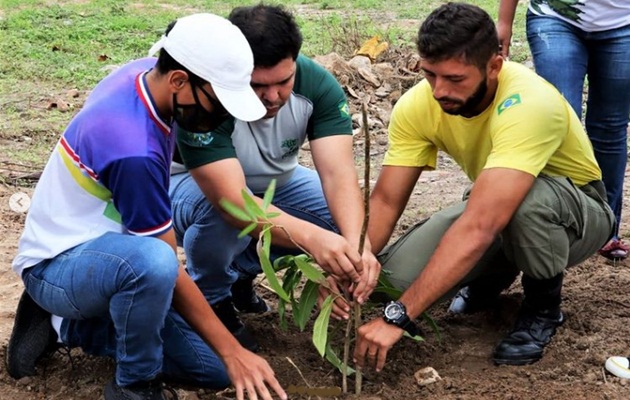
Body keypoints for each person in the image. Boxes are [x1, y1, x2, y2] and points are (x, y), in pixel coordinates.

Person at [6, 13, 287, 400]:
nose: (222, 115)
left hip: (113, 252)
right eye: (218, 102)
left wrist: (228, 356)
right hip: (59, 263)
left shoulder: (145, 76)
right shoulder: (132, 148)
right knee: (154, 263)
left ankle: (85, 323)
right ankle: (131, 381)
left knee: (213, 369)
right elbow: (163, 262)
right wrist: (233, 348)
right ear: (178, 80)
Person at [324, 2, 615, 372]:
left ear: (494, 65)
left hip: (577, 214)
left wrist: (398, 318)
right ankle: (494, 274)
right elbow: (385, 201)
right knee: (393, 281)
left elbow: (480, 226)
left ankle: (542, 309)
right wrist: (352, 263)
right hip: (492, 205)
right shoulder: (418, 106)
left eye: (455, 79)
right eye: (430, 75)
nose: (439, 91)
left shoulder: (530, 103)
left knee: (526, 206)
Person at [169, 3, 380, 351]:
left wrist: (357, 249)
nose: (272, 96)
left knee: (340, 221)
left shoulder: (317, 86)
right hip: (189, 189)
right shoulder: (206, 95)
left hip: (276, 184)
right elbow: (232, 201)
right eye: (257, 86)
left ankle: (239, 274)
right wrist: (314, 241)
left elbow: (338, 175)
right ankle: (212, 297)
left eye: (283, 82)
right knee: (224, 215)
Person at [497, 0, 630, 260]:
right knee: (557, 121)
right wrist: (504, 21)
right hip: (554, 17)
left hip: (624, 23)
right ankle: (558, 221)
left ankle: (606, 228)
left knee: (611, 128)